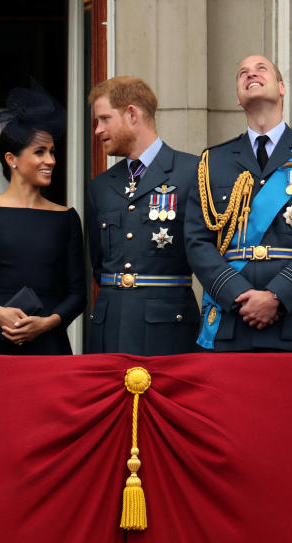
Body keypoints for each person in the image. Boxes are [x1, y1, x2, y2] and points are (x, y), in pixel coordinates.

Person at [184, 55, 292, 352]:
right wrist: (238, 294)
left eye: (261, 69)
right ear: (237, 97)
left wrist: (276, 297)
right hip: (231, 323)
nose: (251, 74)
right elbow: (197, 242)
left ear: (281, 88)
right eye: (242, 72)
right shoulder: (212, 162)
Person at [0, 83, 86, 355]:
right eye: (39, 152)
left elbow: (77, 295)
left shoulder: (66, 218)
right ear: (12, 159)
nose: (50, 160)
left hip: (47, 343)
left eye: (52, 152)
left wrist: (48, 323)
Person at [85, 76, 200, 355]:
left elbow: (208, 254)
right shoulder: (101, 185)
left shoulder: (191, 172)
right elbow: (99, 265)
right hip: (109, 327)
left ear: (132, 114)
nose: (98, 130)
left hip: (168, 330)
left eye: (104, 119)